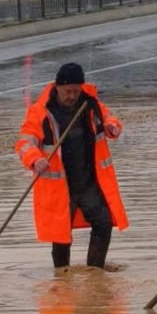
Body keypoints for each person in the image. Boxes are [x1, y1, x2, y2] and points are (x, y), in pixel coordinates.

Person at [15, 63, 129, 270]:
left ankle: (95, 271)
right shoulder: (40, 112)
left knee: (103, 224)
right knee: (61, 234)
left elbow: (110, 118)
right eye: (68, 91)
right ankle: (62, 273)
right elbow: (24, 143)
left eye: (76, 91)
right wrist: (34, 159)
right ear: (58, 87)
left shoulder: (90, 104)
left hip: (88, 183)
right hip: (60, 188)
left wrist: (113, 127)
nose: (72, 96)